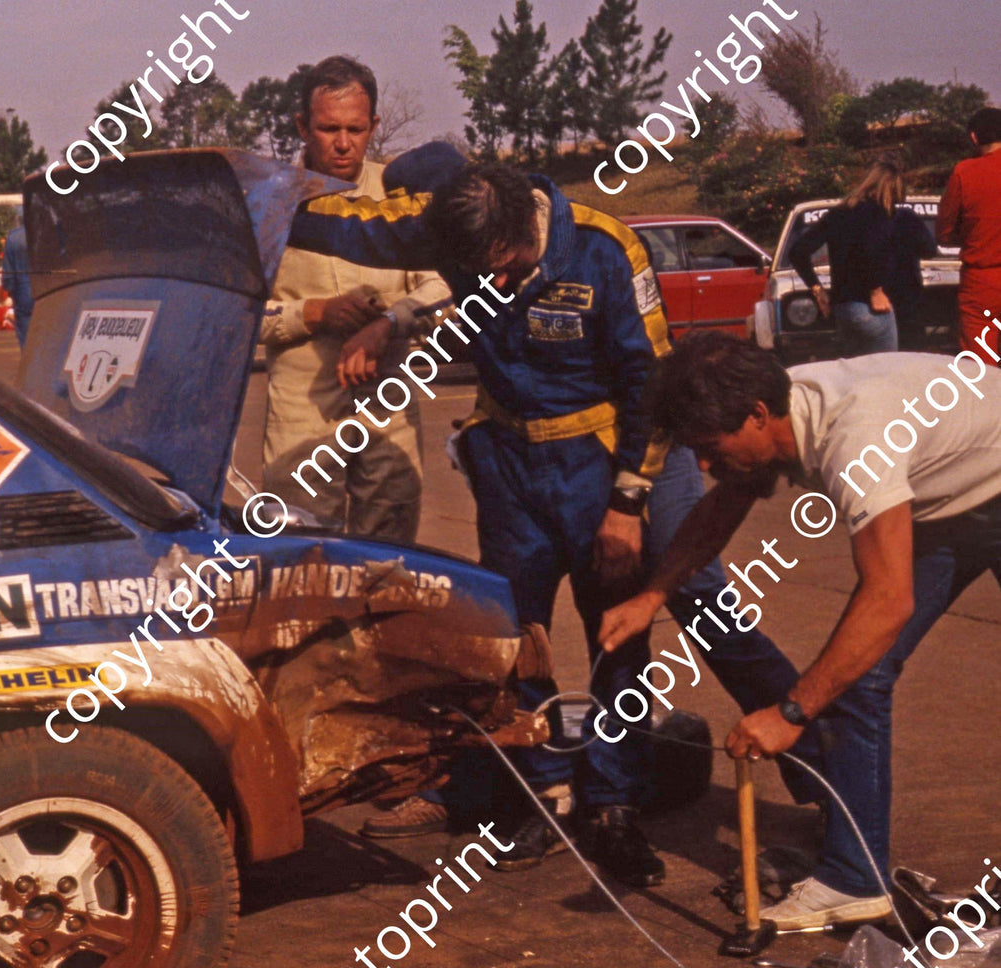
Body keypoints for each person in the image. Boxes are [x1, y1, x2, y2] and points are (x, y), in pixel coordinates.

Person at [288, 144, 798, 886]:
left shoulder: (602, 248)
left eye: (504, 267)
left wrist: (628, 502)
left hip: (595, 465)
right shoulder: (455, 230)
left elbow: (650, 386)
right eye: (478, 275)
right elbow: (345, 228)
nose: (491, 286)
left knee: (615, 639)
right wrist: (257, 208)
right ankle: (539, 793)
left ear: (522, 223)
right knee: (511, 638)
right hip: (508, 468)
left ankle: (612, 801)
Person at [600, 332, 1001, 929]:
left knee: (847, 670)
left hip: (987, 479)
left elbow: (888, 599)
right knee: (856, 680)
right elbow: (720, 507)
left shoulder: (856, 438)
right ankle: (852, 880)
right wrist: (653, 595)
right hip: (964, 488)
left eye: (711, 449)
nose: (705, 466)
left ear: (759, 417)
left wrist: (789, 714)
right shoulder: (781, 403)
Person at [260, 56, 450, 543]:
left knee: (387, 548)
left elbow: (444, 284)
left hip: (388, 403)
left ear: (375, 126)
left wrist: (387, 322)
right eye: (327, 129)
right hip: (301, 414)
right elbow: (240, 315)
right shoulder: (269, 205)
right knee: (300, 549)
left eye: (355, 128)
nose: (343, 143)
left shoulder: (403, 195)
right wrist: (313, 313)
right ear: (302, 126)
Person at [791, 159, 935, 356]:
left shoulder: (838, 213)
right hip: (873, 309)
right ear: (891, 189)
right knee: (883, 375)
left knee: (855, 376)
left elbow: (797, 251)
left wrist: (817, 290)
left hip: (844, 309)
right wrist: (875, 290)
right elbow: (870, 249)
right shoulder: (878, 213)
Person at [939, 108, 1001, 363]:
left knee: (982, 367)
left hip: (983, 278)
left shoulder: (965, 172)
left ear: (974, 138)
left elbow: (944, 232)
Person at [2, 223, 34, 349]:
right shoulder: (49, 234)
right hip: (49, 294)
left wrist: (11, 292)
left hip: (23, 295)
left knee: (26, 341)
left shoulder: (14, 237)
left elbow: (8, 276)